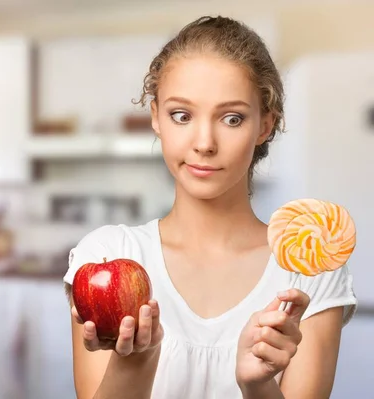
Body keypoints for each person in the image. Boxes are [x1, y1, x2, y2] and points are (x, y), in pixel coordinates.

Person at [62, 15, 358, 399]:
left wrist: (258, 384)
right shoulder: (105, 254)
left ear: (265, 125)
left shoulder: (308, 272)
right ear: (155, 117)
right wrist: (135, 360)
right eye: (181, 115)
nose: (204, 142)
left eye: (232, 118)